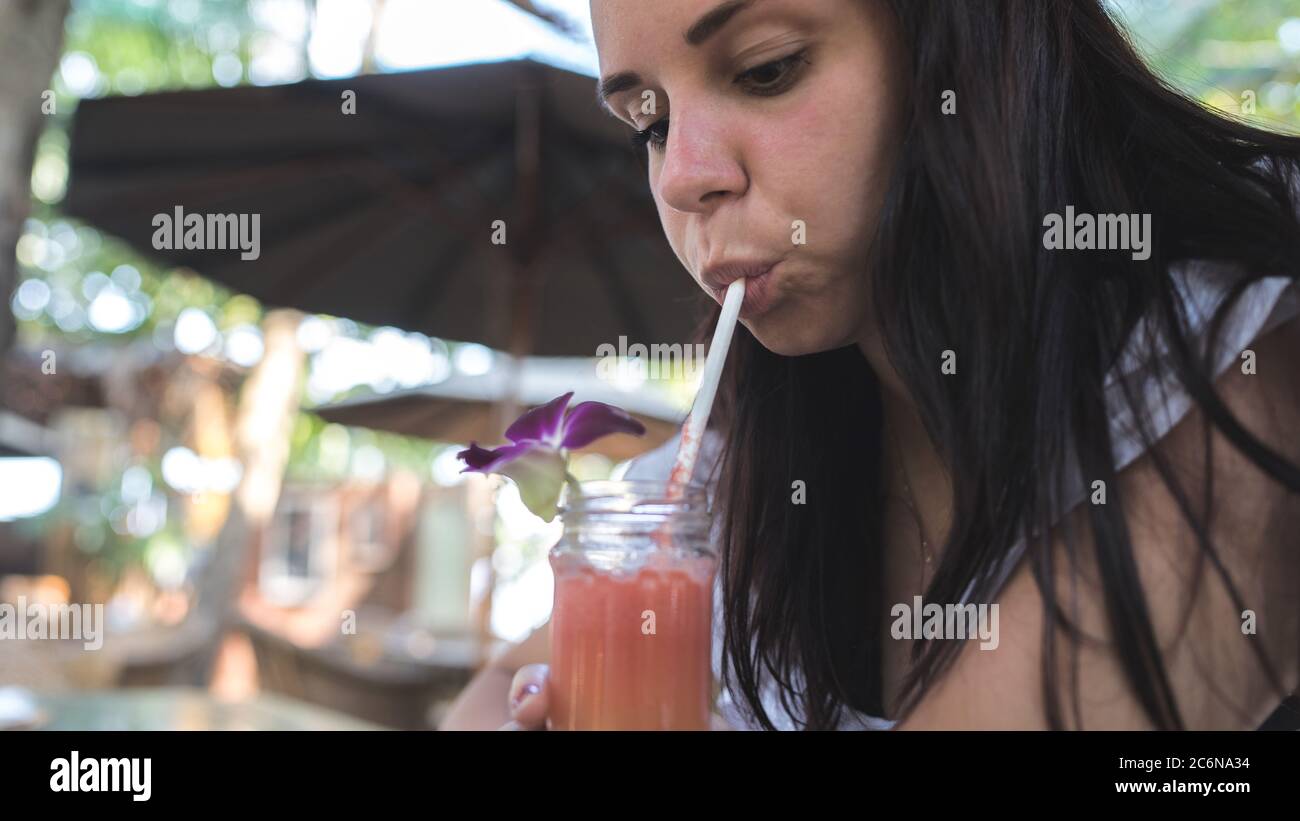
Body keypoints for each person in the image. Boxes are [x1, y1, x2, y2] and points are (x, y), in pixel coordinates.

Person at [440, 0, 1300, 731]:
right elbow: (488, 693)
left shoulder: (1245, 340)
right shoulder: (743, 472)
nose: (680, 178)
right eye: (652, 123)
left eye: (767, 70)